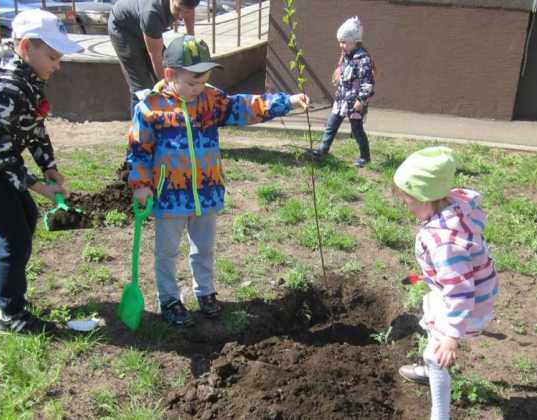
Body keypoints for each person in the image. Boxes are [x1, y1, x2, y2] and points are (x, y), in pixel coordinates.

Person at [127, 35, 310, 327]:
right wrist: (141, 185)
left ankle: (206, 292)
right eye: (193, 82)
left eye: (204, 81)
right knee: (166, 251)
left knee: (204, 247)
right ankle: (170, 298)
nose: (199, 88)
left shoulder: (210, 100)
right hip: (169, 197)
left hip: (207, 192)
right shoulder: (150, 108)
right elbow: (138, 151)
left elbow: (246, 106)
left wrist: (286, 102)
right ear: (170, 74)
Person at [0, 10, 83, 334]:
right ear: (26, 47)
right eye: (52, 56)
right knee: (16, 235)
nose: (58, 65)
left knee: (25, 216)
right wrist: (39, 186)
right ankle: (10, 315)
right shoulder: (7, 86)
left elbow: (34, 127)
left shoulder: (29, 79)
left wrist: (48, 165)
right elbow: (0, 152)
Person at [393, 147, 499, 420]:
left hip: (466, 302)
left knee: (436, 354)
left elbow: (461, 291)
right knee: (432, 326)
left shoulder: (445, 244)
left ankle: (440, 415)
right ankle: (431, 369)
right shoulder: (453, 203)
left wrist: (452, 336)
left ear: (424, 198)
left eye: (407, 199)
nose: (405, 204)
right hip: (454, 291)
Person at [108, 0, 199, 114]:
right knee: (142, 87)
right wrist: (167, 85)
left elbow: (189, 10)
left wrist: (191, 39)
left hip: (144, 24)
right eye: (178, 9)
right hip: (123, 29)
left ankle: (170, 120)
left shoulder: (187, 3)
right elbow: (156, 57)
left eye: (186, 11)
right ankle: (140, 128)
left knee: (173, 72)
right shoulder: (152, 12)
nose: (180, 16)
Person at [310, 16, 375, 168]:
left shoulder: (363, 59)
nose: (341, 45)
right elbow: (344, 74)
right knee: (331, 125)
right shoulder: (347, 56)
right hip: (341, 101)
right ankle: (322, 150)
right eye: (340, 41)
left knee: (357, 129)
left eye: (344, 42)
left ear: (355, 41)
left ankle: (365, 156)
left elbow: (368, 83)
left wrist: (361, 100)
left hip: (354, 103)